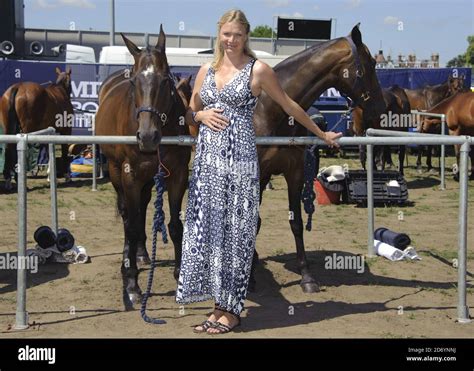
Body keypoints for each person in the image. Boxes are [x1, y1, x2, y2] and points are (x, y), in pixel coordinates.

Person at [176, 9, 341, 335]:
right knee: (209, 238)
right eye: (226, 34)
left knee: (236, 237)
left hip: (239, 165)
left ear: (246, 36)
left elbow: (290, 105)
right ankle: (216, 308)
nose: (231, 40)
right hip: (208, 165)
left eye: (237, 34)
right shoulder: (205, 69)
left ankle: (233, 312)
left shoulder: (259, 70)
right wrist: (200, 117)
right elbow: (190, 109)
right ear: (219, 34)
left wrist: (321, 135)